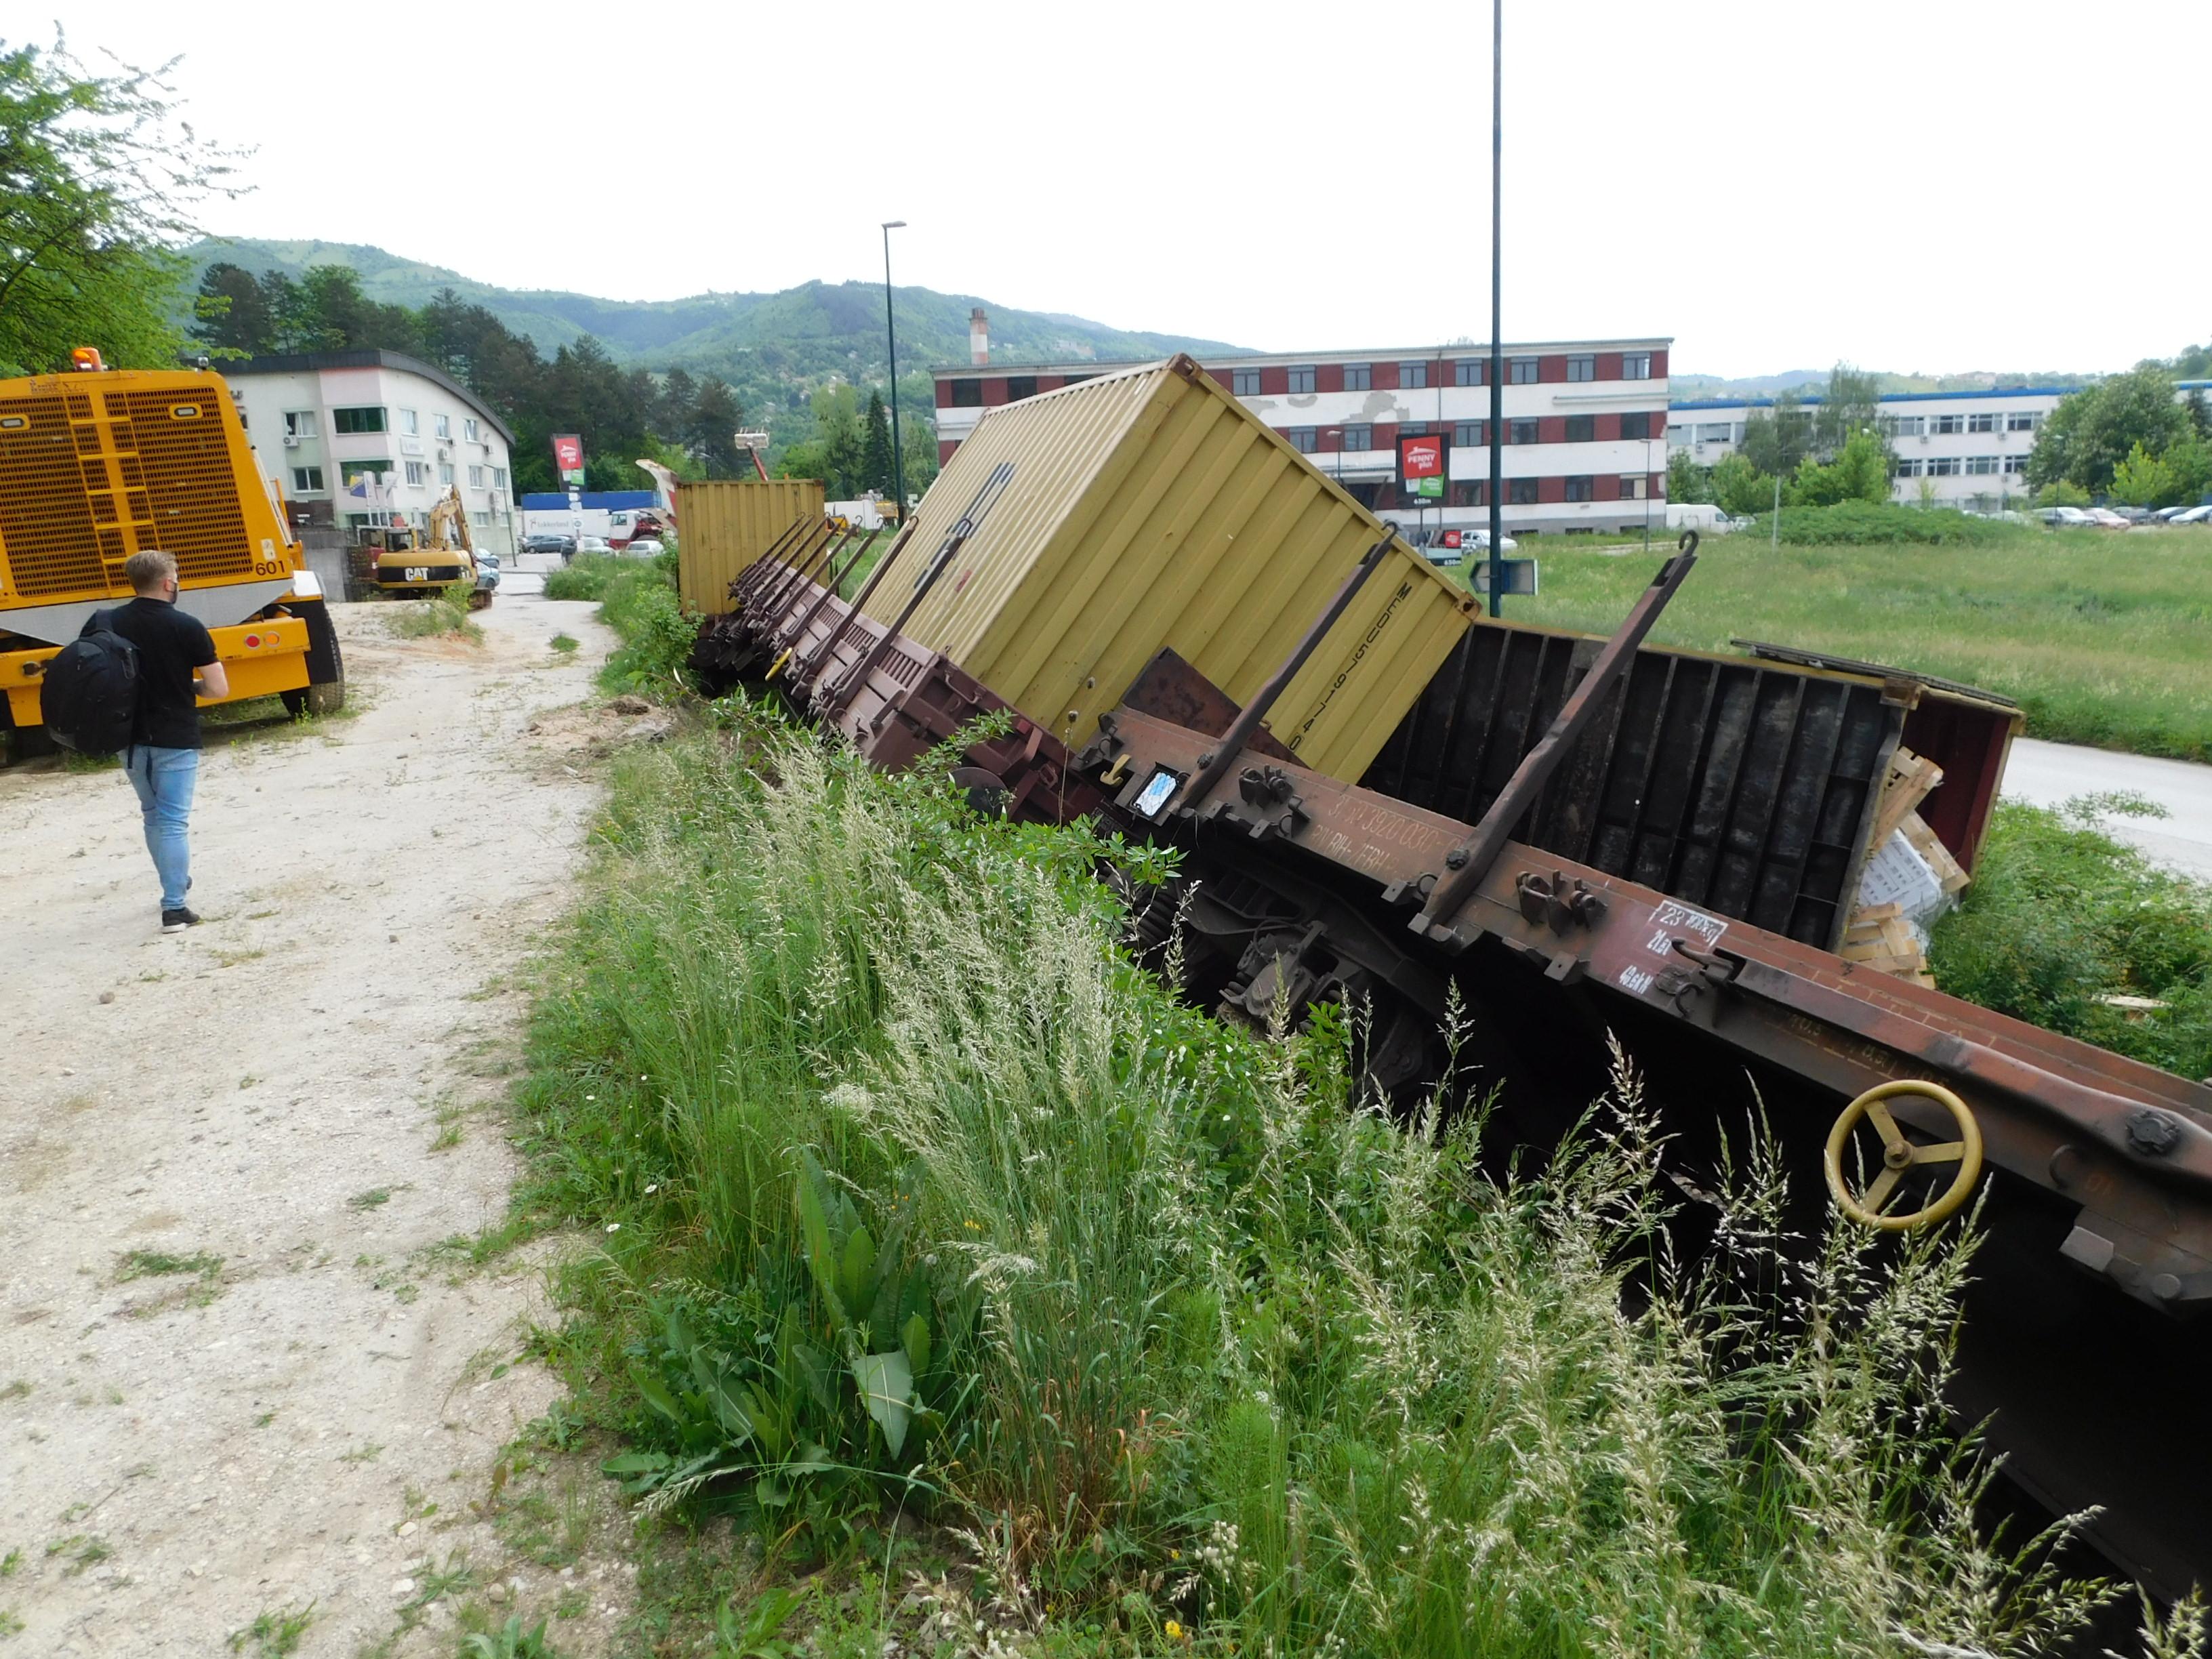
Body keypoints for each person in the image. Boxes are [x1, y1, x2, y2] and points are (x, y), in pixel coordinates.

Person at [106, 549, 228, 933]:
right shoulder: (187, 626)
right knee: (174, 822)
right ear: (167, 583)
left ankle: (173, 880)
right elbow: (218, 688)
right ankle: (174, 907)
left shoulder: (104, 622)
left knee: (153, 815)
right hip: (175, 734)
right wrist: (187, 687)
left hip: (128, 737)